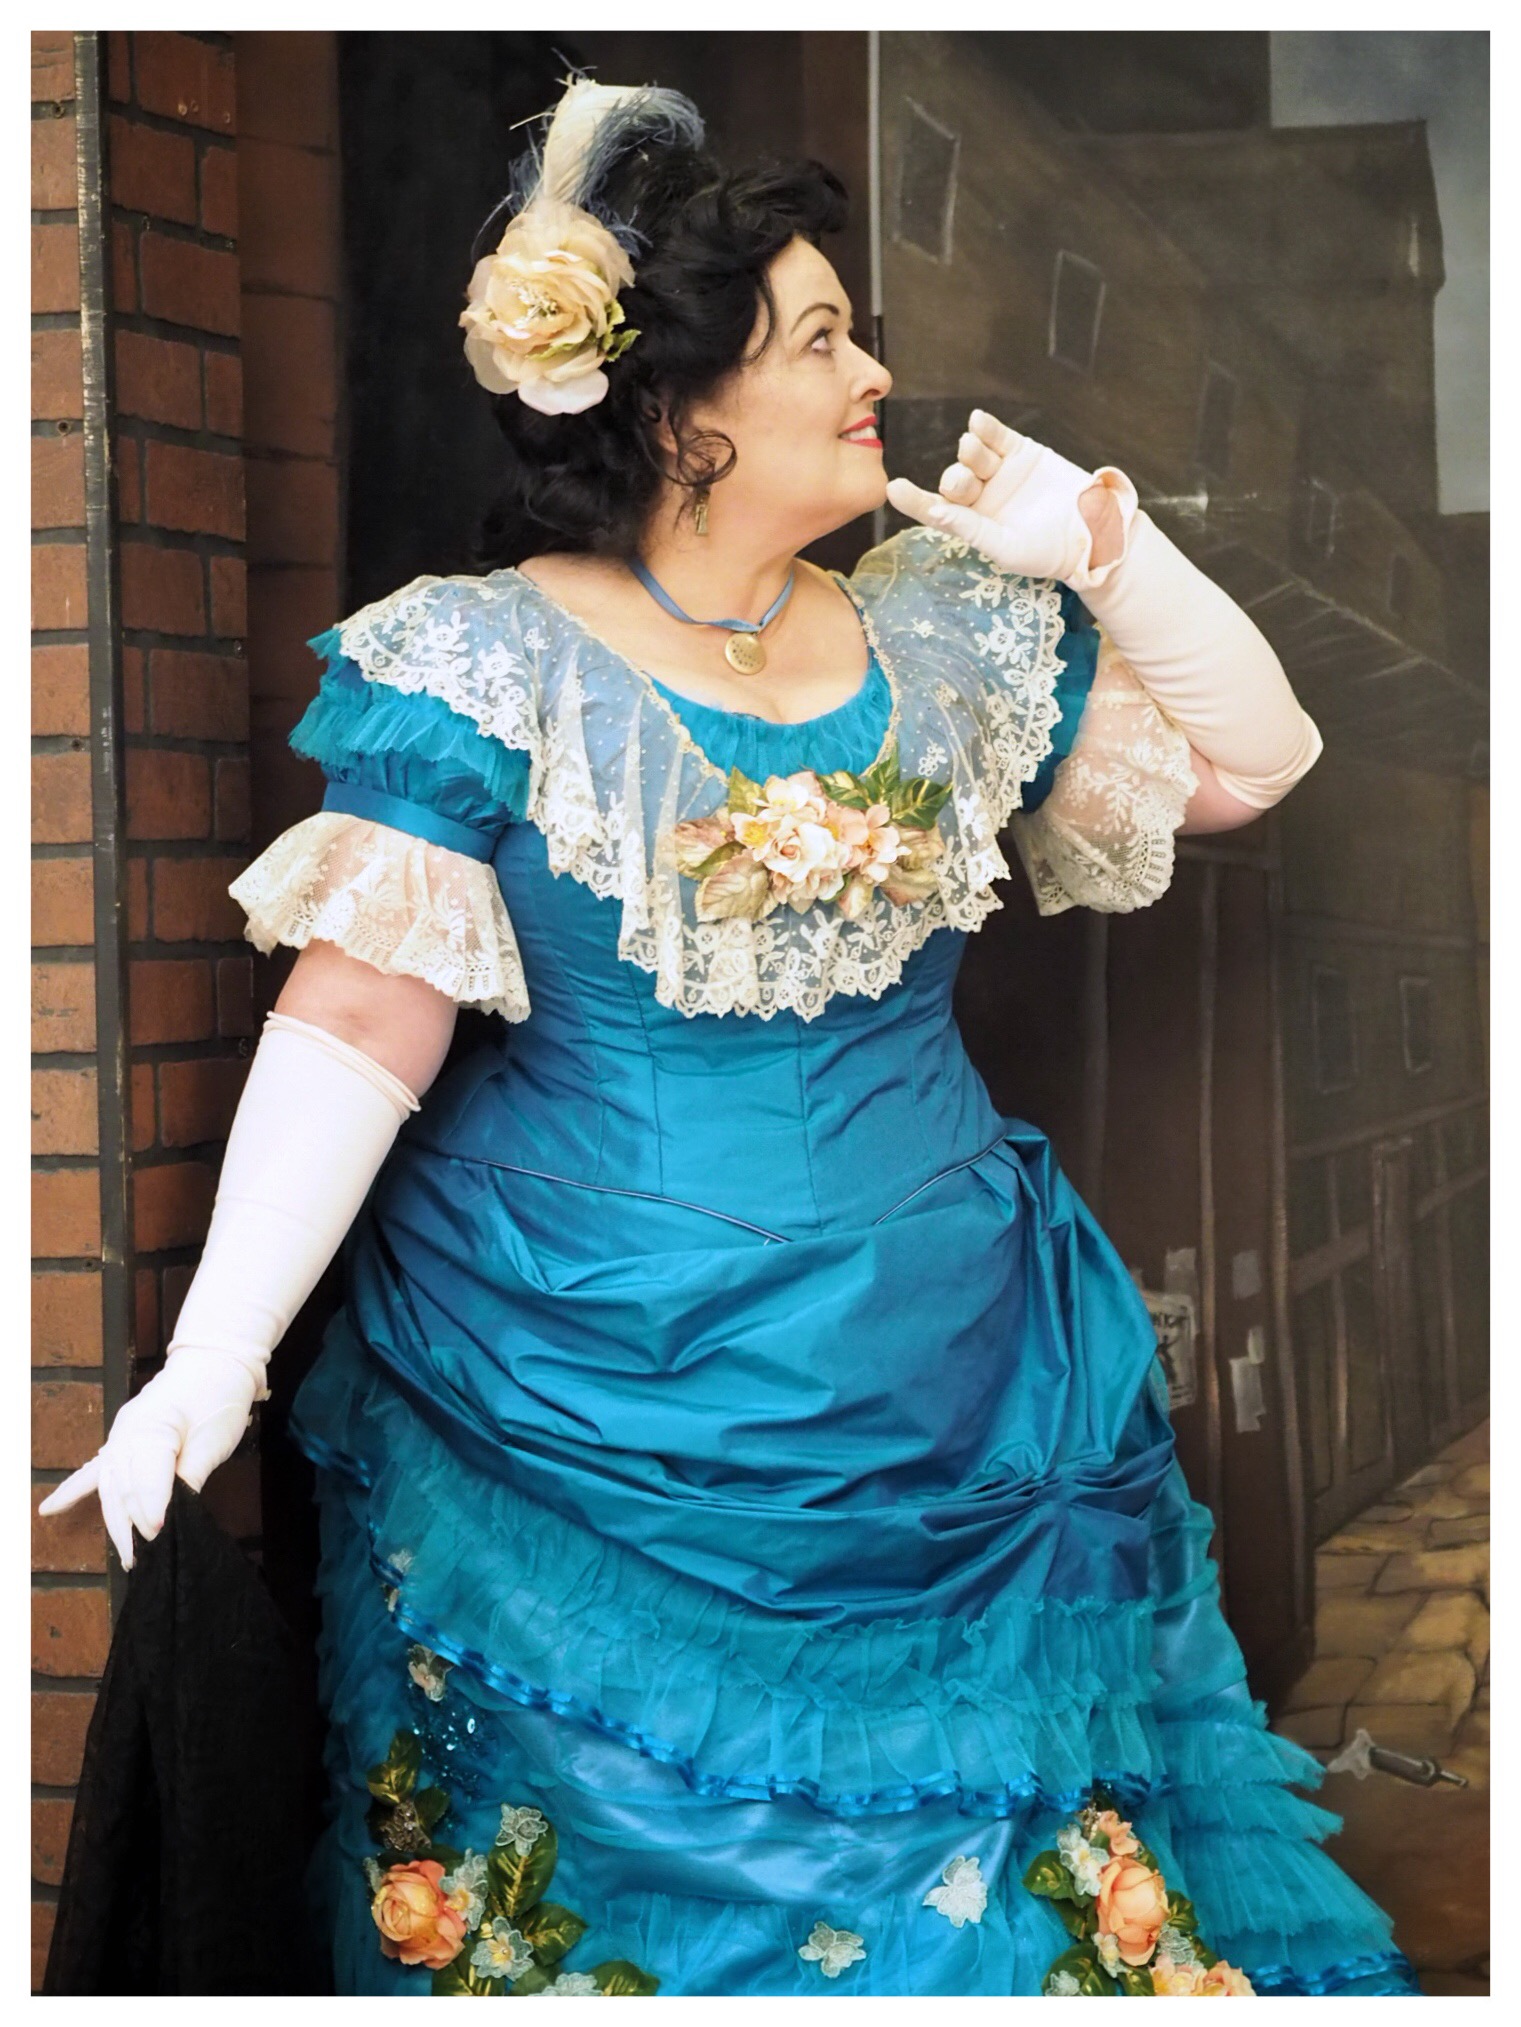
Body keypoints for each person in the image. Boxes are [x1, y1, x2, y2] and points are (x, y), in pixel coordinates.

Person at [42, 78, 1417, 1998]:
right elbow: (356, 1017)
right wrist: (212, 1359)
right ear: (683, 410)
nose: (875, 375)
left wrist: (1103, 551)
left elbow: (1253, 766)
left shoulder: (943, 637)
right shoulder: (484, 660)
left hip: (950, 1375)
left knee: (985, 1882)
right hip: (586, 1393)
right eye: (822, 339)